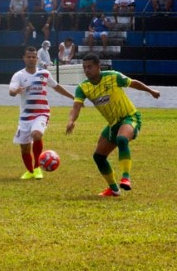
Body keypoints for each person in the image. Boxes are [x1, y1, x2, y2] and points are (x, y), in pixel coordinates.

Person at [65, 53, 161, 197]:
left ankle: (126, 178)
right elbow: (76, 107)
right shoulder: (83, 87)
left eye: (90, 67)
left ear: (98, 66)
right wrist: (71, 120)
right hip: (113, 124)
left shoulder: (113, 76)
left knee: (121, 139)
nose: (87, 70)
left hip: (130, 117)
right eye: (84, 67)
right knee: (99, 157)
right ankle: (114, 189)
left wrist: (151, 91)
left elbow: (133, 83)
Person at [8, 46, 74, 179]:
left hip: (41, 113)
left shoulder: (45, 74)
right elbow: (11, 91)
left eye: (33, 57)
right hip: (25, 116)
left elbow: (56, 87)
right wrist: (15, 91)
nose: (31, 59)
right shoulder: (19, 75)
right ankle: (30, 171)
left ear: (37, 59)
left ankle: (38, 167)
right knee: (24, 147)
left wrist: (73, 97)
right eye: (29, 57)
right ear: (24, 58)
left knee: (36, 135)